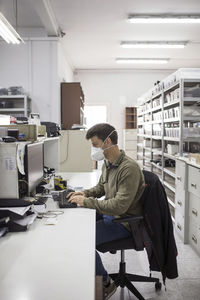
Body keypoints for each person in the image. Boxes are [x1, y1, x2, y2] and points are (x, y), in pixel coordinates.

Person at [68, 123, 145, 299]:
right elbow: (101, 188)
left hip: (124, 222)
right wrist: (85, 193)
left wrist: (87, 201)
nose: (93, 150)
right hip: (111, 215)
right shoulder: (108, 163)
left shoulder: (129, 168)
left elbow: (119, 206)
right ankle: (87, 277)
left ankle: (106, 283)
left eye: (95, 145)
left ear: (107, 141)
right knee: (76, 228)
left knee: (83, 242)